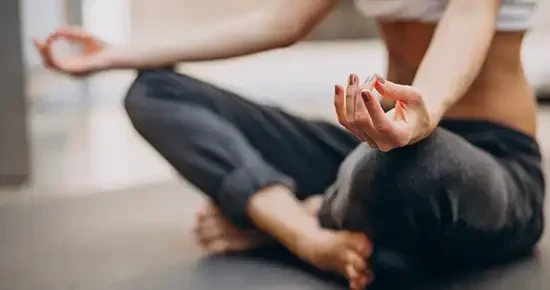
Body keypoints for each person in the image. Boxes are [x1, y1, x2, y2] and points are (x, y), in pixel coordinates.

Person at [35, 0, 545, 289]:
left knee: (399, 167)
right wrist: (116, 55)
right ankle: (302, 231)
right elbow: (280, 22)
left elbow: (471, 15)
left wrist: (423, 111)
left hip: (487, 168)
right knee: (153, 91)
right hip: (375, 149)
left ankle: (273, 220)